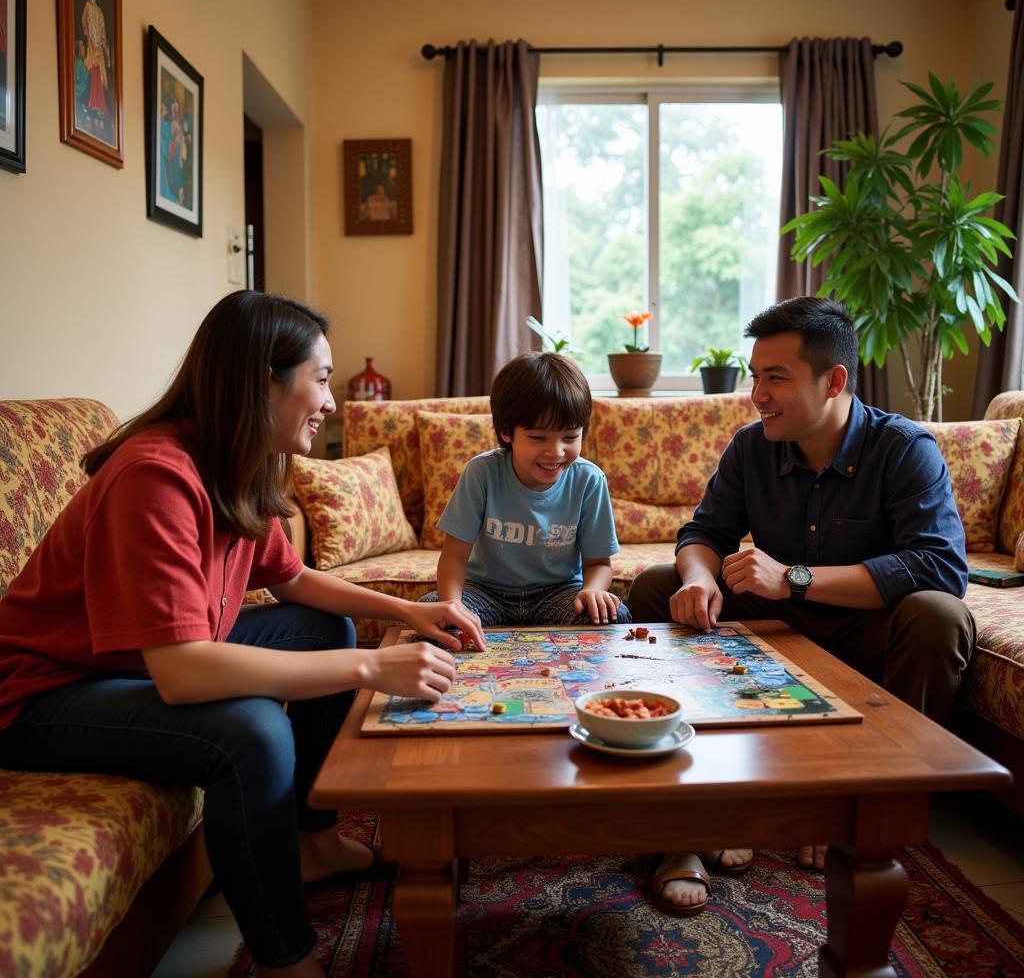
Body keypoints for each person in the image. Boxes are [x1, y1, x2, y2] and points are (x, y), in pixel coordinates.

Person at [0, 290, 485, 978]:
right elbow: (183, 671)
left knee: (325, 625)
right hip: (45, 693)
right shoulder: (155, 475)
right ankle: (283, 960)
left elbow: (295, 581)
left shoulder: (239, 458)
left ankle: (311, 842)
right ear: (265, 381)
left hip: (132, 664)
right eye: (320, 379)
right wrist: (369, 670)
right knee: (254, 732)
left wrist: (408, 612)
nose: (331, 401)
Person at [628, 296, 975, 916]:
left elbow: (939, 567)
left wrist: (796, 578)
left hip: (865, 633)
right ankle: (685, 788)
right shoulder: (750, 447)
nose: (757, 394)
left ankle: (864, 803)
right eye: (755, 376)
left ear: (834, 380)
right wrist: (701, 579)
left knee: (939, 618)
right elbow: (703, 533)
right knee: (658, 584)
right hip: (770, 629)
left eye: (775, 378)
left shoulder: (904, 449)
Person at [420, 351, 630, 627]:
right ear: (507, 432)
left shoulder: (589, 480)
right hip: (485, 593)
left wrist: (593, 589)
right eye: (537, 437)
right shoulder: (481, 473)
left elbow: (599, 564)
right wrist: (452, 605)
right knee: (431, 612)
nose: (555, 452)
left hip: (559, 593)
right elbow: (454, 556)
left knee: (614, 615)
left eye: (570, 437)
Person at [80, 0, 110, 128]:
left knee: (99, 73)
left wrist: (104, 46)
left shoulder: (99, 12)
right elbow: (83, 19)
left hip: (99, 46)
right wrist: (87, 34)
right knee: (93, 73)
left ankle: (99, 105)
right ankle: (92, 102)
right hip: (92, 44)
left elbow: (103, 31)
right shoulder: (88, 5)